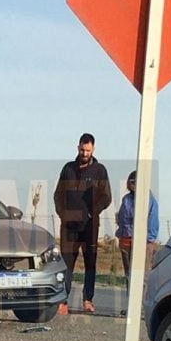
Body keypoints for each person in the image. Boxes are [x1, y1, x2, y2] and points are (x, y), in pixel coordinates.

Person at [53, 133, 112, 315]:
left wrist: (90, 213)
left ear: (93, 149)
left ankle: (88, 299)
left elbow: (106, 197)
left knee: (90, 264)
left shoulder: (100, 170)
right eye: (82, 149)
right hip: (69, 227)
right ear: (77, 147)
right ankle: (62, 300)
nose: (84, 153)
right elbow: (58, 195)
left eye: (87, 150)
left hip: (89, 227)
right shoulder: (68, 169)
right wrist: (63, 215)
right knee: (66, 264)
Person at [115, 170, 159, 302]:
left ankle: (142, 304)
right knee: (129, 274)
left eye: (136, 182)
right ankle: (130, 304)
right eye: (131, 182)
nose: (133, 185)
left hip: (143, 242)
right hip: (126, 240)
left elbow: (153, 220)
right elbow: (122, 219)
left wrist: (149, 240)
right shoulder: (126, 199)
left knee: (143, 275)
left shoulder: (149, 200)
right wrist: (120, 236)